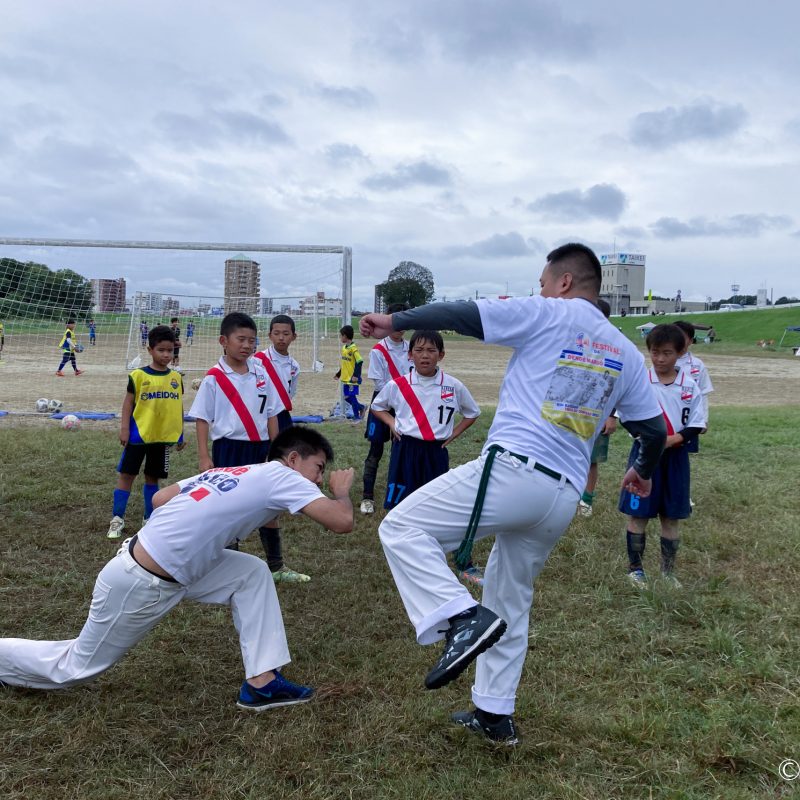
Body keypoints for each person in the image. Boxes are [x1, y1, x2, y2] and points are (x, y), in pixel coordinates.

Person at [359, 243, 666, 745]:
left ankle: (459, 617)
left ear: (564, 282)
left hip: (515, 472)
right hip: (562, 497)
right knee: (510, 599)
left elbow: (462, 314)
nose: (539, 290)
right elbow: (651, 430)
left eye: (543, 281)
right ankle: (494, 713)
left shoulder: (550, 312)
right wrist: (642, 472)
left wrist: (395, 320)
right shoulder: (625, 352)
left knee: (401, 526)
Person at [0, 426, 354, 710]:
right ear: (293, 459)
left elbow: (159, 498)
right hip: (141, 581)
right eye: (319, 468)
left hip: (158, 565)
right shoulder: (284, 476)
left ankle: (261, 683)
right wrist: (341, 493)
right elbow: (341, 522)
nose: (320, 479)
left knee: (250, 574)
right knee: (75, 668)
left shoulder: (236, 471)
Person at [370, 330, 485, 587]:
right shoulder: (397, 385)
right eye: (419, 350)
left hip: (436, 452)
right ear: (410, 355)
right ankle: (402, 555)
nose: (425, 356)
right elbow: (377, 407)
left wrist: (452, 435)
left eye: (431, 350)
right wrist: (392, 423)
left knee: (446, 505)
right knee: (401, 504)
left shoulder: (453, 385)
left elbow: (472, 412)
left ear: (441, 355)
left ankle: (463, 562)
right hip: (406, 449)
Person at [619, 324, 705, 589]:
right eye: (655, 352)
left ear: (680, 352)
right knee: (638, 514)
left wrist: (672, 440)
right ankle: (635, 570)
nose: (660, 359)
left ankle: (668, 573)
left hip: (676, 459)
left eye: (667, 353)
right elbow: (626, 416)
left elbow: (697, 424)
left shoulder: (690, 386)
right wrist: (646, 438)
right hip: (644, 457)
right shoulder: (640, 382)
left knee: (671, 516)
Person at [106, 325, 185, 540]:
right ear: (150, 349)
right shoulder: (138, 375)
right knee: (127, 475)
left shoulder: (176, 378)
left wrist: (180, 433)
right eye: (161, 350)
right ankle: (117, 518)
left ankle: (149, 518)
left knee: (153, 478)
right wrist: (124, 428)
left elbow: (177, 407)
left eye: (170, 351)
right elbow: (128, 404)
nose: (166, 355)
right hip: (138, 436)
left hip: (161, 439)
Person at [253, 314, 311, 583]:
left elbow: (290, 394)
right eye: (276, 333)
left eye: (286, 333)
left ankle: (283, 498)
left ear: (294, 336)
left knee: (283, 463)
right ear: (269, 335)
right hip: (259, 419)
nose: (281, 338)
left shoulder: (294, 366)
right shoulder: (257, 361)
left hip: (282, 417)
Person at [360, 302, 412, 515]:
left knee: (402, 451)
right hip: (382, 404)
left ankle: (400, 497)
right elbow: (379, 384)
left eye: (403, 321)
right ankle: (367, 497)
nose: (399, 326)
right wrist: (396, 399)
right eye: (394, 320)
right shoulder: (378, 350)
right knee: (376, 451)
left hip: (407, 405)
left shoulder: (412, 348)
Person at [578, 299, 616, 517]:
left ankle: (587, 500)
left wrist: (612, 416)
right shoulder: (578, 340)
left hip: (599, 413)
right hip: (571, 412)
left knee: (592, 459)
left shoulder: (612, 346)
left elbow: (615, 384)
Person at [334, 325, 364, 420]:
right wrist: (338, 374)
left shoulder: (353, 349)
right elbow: (344, 364)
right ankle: (361, 407)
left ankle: (357, 417)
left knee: (352, 397)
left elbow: (360, 361)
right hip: (345, 378)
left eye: (341, 335)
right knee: (346, 397)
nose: (340, 337)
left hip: (352, 378)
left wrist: (356, 375)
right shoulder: (344, 348)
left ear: (345, 336)